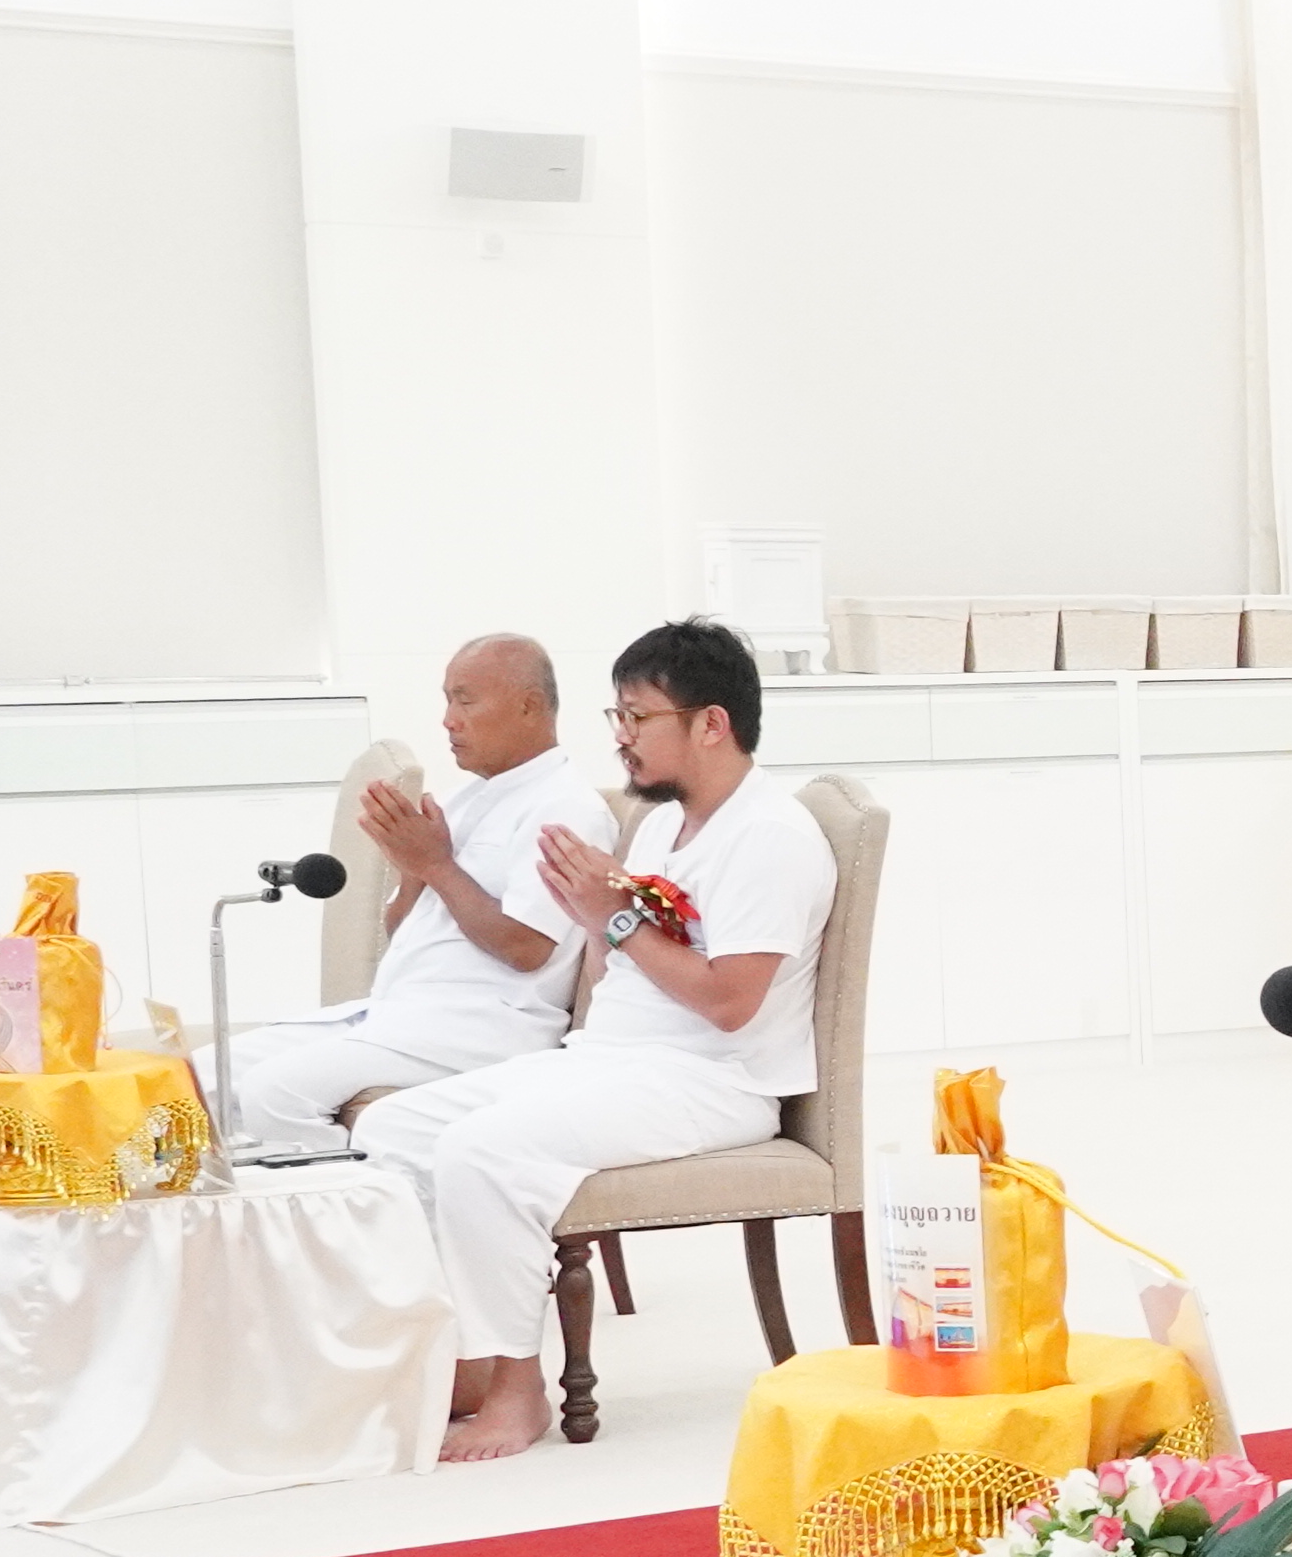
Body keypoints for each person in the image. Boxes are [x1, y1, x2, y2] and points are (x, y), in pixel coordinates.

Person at [358, 621, 838, 1464]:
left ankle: (517, 1388)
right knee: (392, 1128)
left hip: (713, 1080)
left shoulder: (771, 836)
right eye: (615, 714)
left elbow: (731, 1002)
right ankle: (468, 1357)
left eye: (636, 717)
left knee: (481, 1150)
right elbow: (617, 963)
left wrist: (608, 915)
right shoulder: (658, 827)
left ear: (710, 724)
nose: (618, 736)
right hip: (616, 1063)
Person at [211, 634, 609, 1142]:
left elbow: (527, 947)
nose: (448, 720)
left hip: (481, 1028)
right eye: (447, 700)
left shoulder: (565, 807)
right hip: (397, 1012)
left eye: (465, 700)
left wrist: (436, 864)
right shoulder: (465, 799)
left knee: (275, 1092)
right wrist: (413, 869)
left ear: (529, 706)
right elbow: (400, 930)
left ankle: (369, 1210)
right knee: (200, 1079)